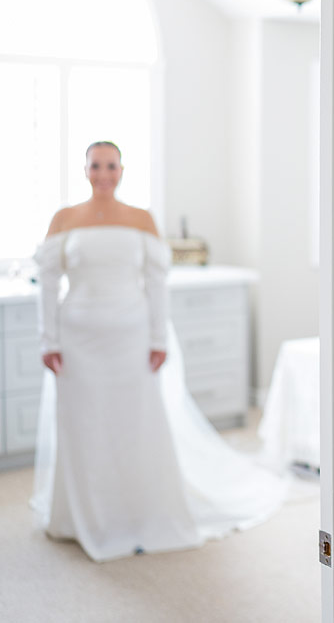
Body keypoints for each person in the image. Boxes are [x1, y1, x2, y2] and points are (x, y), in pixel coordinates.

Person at [31, 140, 287, 561]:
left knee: (134, 421)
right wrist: (49, 340)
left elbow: (155, 284)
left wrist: (158, 340)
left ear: (122, 170)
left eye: (111, 166)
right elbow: (47, 283)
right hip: (78, 340)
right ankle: (79, 515)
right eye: (95, 166)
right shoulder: (64, 219)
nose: (103, 174)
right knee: (83, 423)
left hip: (130, 338)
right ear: (85, 170)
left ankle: (137, 508)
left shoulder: (141, 220)